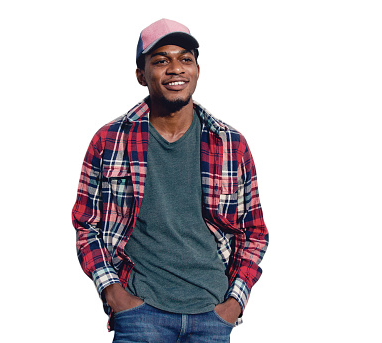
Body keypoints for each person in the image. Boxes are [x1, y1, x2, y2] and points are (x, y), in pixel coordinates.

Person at [72, 18, 269, 343]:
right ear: (141, 74)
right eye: (161, 60)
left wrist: (235, 303)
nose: (175, 68)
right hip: (140, 314)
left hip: (212, 314)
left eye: (185, 59)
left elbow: (255, 233)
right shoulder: (109, 140)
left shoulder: (231, 144)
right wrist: (113, 293)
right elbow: (86, 225)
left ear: (197, 69)